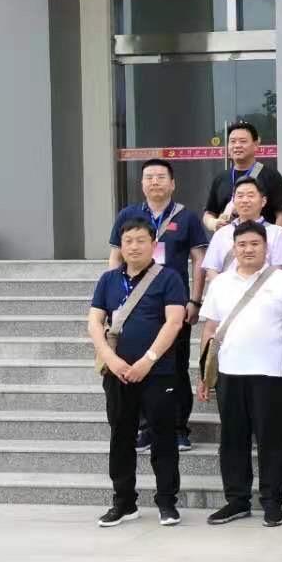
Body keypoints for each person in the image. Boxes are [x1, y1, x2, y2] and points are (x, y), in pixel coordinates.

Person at [196, 220, 282, 527]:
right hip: (228, 372)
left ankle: (272, 502)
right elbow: (210, 330)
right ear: (234, 248)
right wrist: (204, 373)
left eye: (255, 244)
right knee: (232, 439)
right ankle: (237, 500)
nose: (248, 249)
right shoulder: (220, 283)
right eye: (242, 245)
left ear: (266, 248)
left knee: (271, 440)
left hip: (269, 373)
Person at [88, 218, 187, 527]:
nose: (134, 246)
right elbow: (94, 323)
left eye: (140, 240)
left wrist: (148, 360)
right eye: (128, 240)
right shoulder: (108, 280)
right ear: (121, 245)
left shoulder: (169, 278)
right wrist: (111, 359)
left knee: (163, 437)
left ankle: (167, 502)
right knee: (121, 436)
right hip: (117, 373)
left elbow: (174, 322)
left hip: (158, 372)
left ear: (153, 244)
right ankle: (123, 502)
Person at [108, 158, 209, 453]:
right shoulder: (128, 215)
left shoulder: (186, 217)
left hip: (173, 304)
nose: (155, 182)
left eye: (161, 177)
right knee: (136, 361)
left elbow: (199, 260)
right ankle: (145, 428)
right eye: (149, 177)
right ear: (141, 184)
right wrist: (113, 298)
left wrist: (195, 299)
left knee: (175, 366)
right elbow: (115, 257)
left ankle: (178, 428)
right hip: (134, 305)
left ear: (172, 183)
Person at [202, 121, 282, 233]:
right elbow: (209, 213)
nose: (237, 145)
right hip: (228, 240)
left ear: (256, 145)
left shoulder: (271, 176)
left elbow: (281, 214)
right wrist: (213, 223)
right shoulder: (221, 178)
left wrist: (275, 238)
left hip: (261, 240)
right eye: (232, 141)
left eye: (243, 141)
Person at [203, 178, 282, 282]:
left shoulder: (278, 233)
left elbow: (278, 271)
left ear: (263, 201)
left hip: (265, 290)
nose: (245, 200)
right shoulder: (221, 233)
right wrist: (226, 289)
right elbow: (211, 269)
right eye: (240, 196)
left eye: (250, 196)